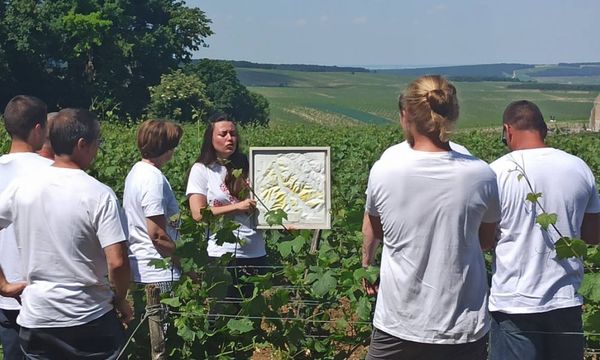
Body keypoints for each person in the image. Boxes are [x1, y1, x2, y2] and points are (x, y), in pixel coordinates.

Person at [362, 75, 501, 359]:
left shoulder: (385, 170)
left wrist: (367, 263)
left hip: (399, 321)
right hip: (461, 325)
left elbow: (374, 231)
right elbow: (486, 241)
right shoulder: (481, 175)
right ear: (453, 115)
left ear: (406, 116)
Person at [0, 108, 132, 359]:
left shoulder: (22, 187)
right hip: (88, 316)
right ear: (82, 144)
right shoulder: (99, 194)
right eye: (97, 143)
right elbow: (117, 261)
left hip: (37, 318)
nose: (97, 149)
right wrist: (120, 298)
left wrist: (3, 285)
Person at [489, 100, 600, 360]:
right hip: (565, 302)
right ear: (544, 129)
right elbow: (593, 235)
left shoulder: (496, 172)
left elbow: (484, 238)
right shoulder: (579, 168)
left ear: (508, 130)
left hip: (513, 305)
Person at [186, 113, 265, 299]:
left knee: (251, 316)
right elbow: (198, 214)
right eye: (223, 134)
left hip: (255, 251)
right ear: (210, 138)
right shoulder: (201, 170)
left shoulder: (249, 165)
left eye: (233, 133)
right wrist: (236, 207)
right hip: (222, 254)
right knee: (221, 313)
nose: (230, 138)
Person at [0, 95, 52, 360]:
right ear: (37, 129)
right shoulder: (53, 171)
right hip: (45, 293)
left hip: (6, 293)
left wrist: (3, 284)